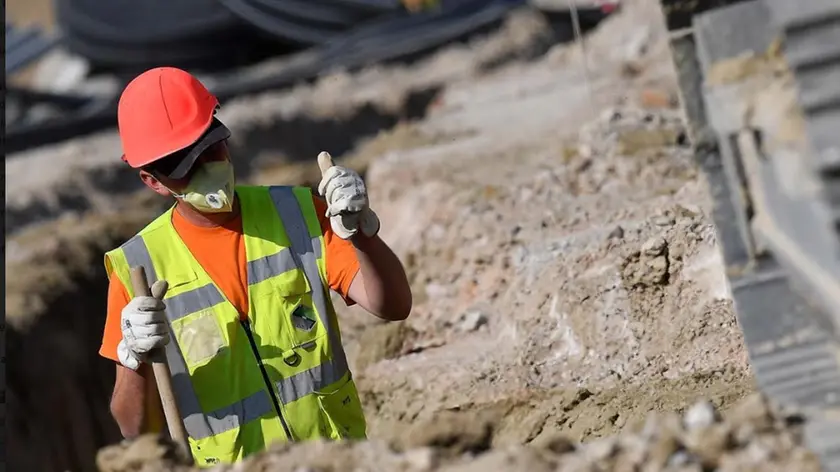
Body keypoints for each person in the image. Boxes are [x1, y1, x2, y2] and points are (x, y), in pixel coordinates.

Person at [98, 66, 412, 467]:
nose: (207, 167)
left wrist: (362, 234)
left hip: (332, 459)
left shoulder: (296, 213)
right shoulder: (136, 268)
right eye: (185, 165)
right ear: (153, 181)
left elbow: (393, 305)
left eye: (210, 149)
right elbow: (133, 430)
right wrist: (133, 358)